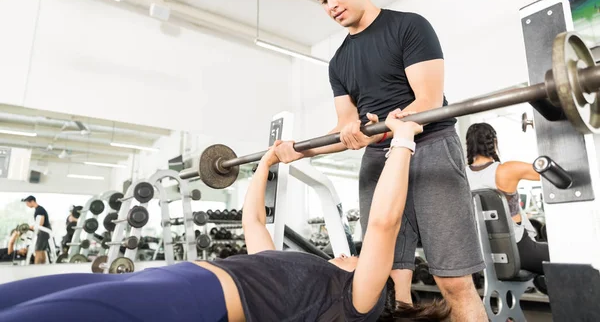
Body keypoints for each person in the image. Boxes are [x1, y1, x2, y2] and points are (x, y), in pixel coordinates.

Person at [0, 111, 449, 321]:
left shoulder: (358, 303)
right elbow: (253, 222)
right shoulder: (306, 272)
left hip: (190, 302)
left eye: (359, 259)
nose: (351, 256)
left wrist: (403, 140)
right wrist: (267, 163)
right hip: (165, 279)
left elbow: (383, 224)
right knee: (12, 297)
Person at [274, 0, 487, 320]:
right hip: (378, 159)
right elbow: (345, 127)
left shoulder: (409, 26)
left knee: (453, 281)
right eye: (322, 0)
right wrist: (300, 151)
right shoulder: (339, 61)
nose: (330, 5)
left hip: (431, 148)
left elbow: (428, 100)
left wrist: (386, 126)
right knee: (384, 277)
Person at [465, 122, 549, 275]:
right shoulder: (507, 170)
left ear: (468, 145)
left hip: (482, 255)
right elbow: (549, 172)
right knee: (566, 255)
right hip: (518, 250)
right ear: (494, 142)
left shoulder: (461, 176)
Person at [22, 195, 52, 264]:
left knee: (38, 250)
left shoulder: (39, 210)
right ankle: (43, 267)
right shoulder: (38, 209)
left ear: (32, 201)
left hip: (44, 231)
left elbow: (40, 223)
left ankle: (36, 268)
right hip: (44, 231)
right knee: (42, 250)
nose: (27, 205)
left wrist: (31, 227)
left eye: (27, 203)